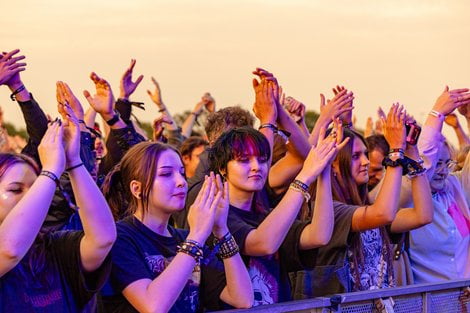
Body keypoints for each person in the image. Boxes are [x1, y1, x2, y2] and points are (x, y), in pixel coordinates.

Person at [293, 103, 434, 297]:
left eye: (365, 155)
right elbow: (383, 214)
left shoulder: (368, 208)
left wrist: (412, 152)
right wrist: (395, 151)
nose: (366, 162)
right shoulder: (329, 211)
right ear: (331, 165)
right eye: (355, 157)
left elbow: (423, 215)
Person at [101, 142, 253, 312]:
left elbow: (242, 299)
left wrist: (222, 230)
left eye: (181, 173)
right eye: (166, 174)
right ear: (137, 189)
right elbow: (153, 306)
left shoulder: (183, 238)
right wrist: (196, 237)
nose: (181, 182)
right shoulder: (120, 237)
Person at [207, 121, 348, 306]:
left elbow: (319, 235)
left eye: (262, 159)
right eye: (244, 160)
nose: (256, 166)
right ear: (222, 168)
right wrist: (304, 176)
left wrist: (324, 169)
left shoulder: (267, 215)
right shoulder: (216, 218)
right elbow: (263, 244)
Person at [0, 104, 116, 312]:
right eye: (16, 189)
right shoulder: (7, 251)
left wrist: (73, 162)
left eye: (36, 187)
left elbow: (103, 239)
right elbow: (9, 249)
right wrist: (51, 170)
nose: (34, 196)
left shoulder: (54, 246)